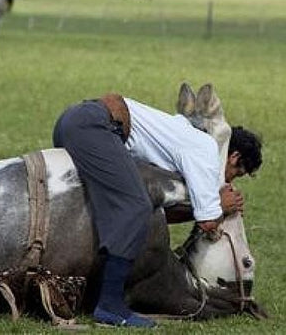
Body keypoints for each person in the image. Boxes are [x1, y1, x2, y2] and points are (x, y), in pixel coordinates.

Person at [52, 94, 262, 328]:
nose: (231, 180)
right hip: (94, 127)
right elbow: (207, 222)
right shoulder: (206, 150)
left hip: (76, 121)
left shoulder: (183, 138)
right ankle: (110, 306)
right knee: (133, 207)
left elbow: (156, 213)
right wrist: (221, 207)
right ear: (233, 157)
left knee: (135, 207)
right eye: (236, 174)